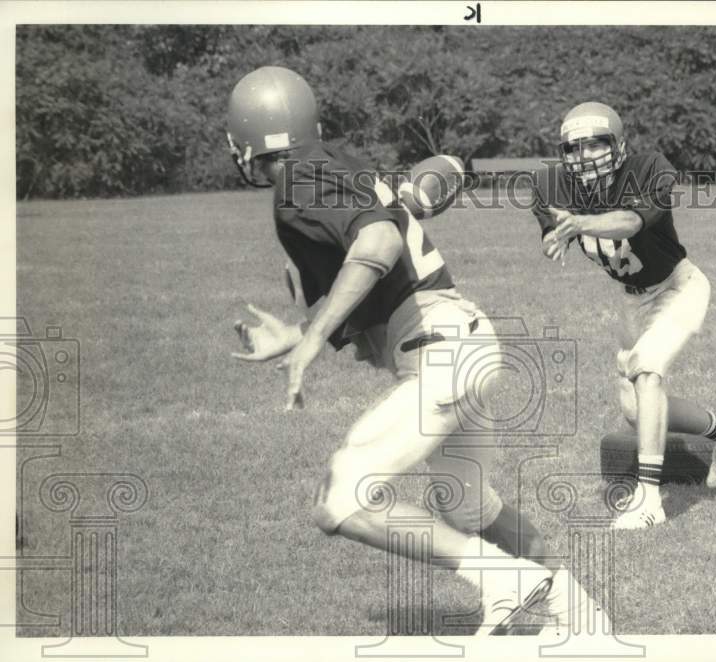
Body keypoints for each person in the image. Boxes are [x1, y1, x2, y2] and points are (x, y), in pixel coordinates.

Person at [226, 66, 597, 635]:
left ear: (247, 142)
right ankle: (582, 616)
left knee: (339, 499)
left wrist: (314, 340)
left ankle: (505, 580)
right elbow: (391, 230)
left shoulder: (296, 184)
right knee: (471, 509)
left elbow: (379, 240)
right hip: (464, 340)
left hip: (437, 353)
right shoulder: (338, 164)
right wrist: (298, 333)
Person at [531, 102, 716, 530]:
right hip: (632, 300)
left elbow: (629, 223)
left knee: (648, 370)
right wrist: (554, 239)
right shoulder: (552, 183)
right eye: (574, 148)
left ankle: (649, 500)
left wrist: (579, 223)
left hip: (678, 287)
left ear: (618, 145)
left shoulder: (648, 168)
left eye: (595, 144)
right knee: (636, 411)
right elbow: (551, 235)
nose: (584, 156)